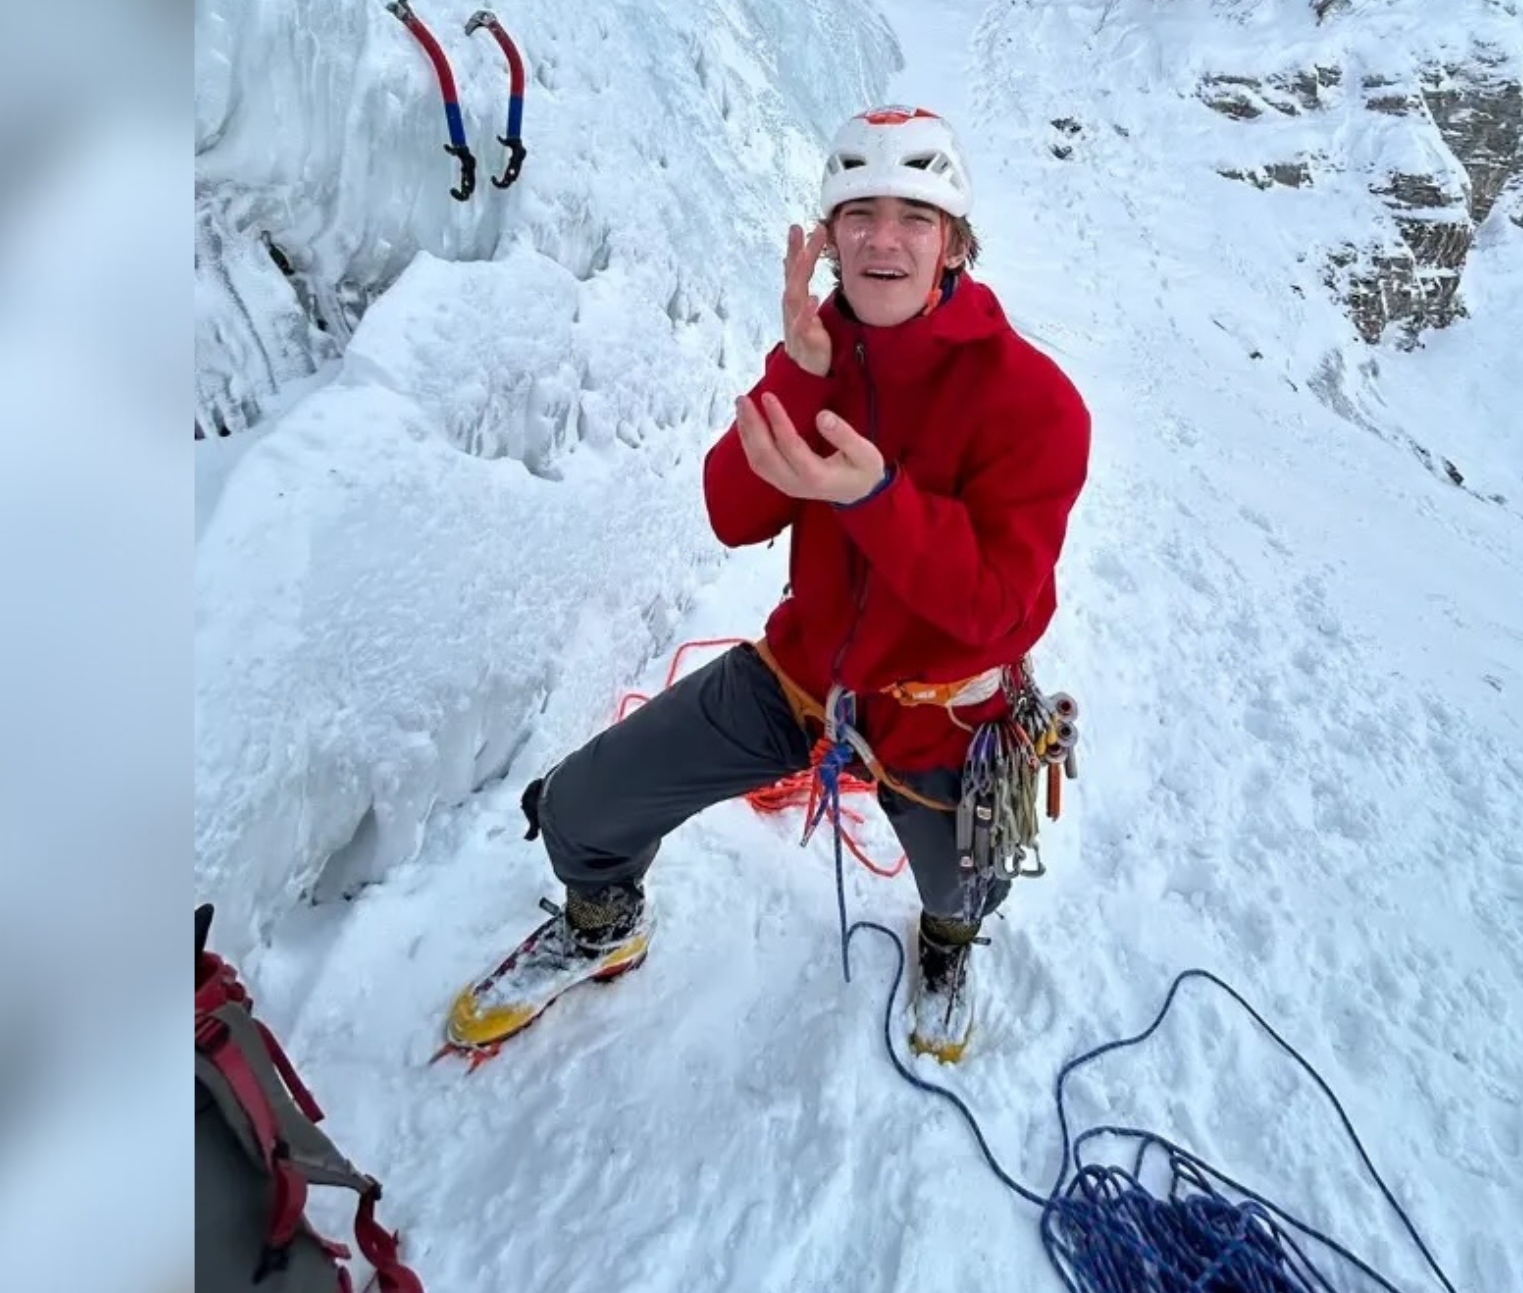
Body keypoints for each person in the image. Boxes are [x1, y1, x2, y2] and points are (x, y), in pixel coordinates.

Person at [448, 105, 1091, 1062]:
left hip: (945, 713)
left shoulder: (1033, 401)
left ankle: (949, 943)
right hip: (804, 677)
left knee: (967, 882)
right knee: (586, 805)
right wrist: (798, 374)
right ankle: (602, 923)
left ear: (954, 243)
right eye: (857, 214)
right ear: (827, 238)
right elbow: (733, 513)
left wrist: (875, 495)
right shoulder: (818, 353)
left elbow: (997, 608)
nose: (883, 239)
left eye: (914, 216)